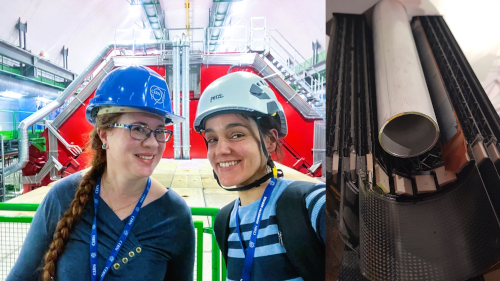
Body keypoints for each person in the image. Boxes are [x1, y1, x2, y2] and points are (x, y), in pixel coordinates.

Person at [7, 66, 195, 281]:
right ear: (104, 134)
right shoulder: (63, 197)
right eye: (139, 128)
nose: (152, 143)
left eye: (160, 130)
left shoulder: (174, 215)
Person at [193, 71, 326, 281]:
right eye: (212, 139)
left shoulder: (311, 204)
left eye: (236, 135)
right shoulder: (224, 222)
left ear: (270, 141)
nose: (221, 150)